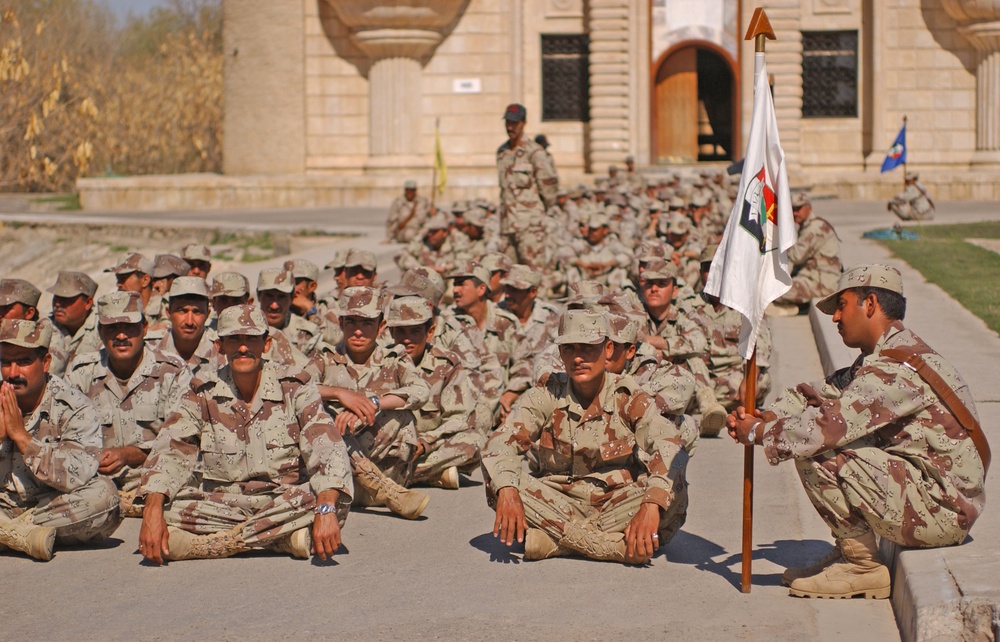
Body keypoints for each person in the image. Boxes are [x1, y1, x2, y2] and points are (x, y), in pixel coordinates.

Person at [726, 264, 987, 599]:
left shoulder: (893, 371)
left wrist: (760, 433)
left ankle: (862, 566)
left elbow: (824, 430)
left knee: (819, 447)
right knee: (813, 431)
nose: (835, 318)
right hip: (936, 497)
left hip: (943, 511)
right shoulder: (886, 357)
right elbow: (816, 393)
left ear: (871, 303)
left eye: (842, 305)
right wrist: (768, 415)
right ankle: (850, 550)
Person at [135, 305, 353, 563]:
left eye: (251, 338)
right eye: (234, 339)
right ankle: (280, 539)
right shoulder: (201, 392)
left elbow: (325, 444)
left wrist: (325, 505)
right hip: (223, 505)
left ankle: (223, 544)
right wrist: (152, 507)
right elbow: (171, 449)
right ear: (220, 347)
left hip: (284, 500)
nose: (242, 347)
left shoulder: (294, 388)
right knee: (166, 505)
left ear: (267, 343)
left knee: (332, 501)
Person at [482, 310, 691, 564]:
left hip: (617, 505)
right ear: (560, 354)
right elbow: (501, 442)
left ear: (609, 349)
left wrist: (650, 504)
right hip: (558, 502)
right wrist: (506, 489)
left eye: (588, 348)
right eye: (569, 349)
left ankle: (557, 543)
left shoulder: (627, 396)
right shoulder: (547, 393)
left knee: (674, 484)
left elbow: (669, 444)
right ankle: (605, 547)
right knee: (501, 477)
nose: (578, 357)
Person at [0, 319, 121, 560]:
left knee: (105, 498)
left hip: (48, 506)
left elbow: (77, 476)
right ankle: (21, 536)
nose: (13, 373)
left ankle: (10, 534)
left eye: (24, 362)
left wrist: (22, 439)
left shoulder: (74, 408)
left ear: (45, 363)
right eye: (6, 362)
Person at [65, 291, 190, 518]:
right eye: (112, 328)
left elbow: (179, 444)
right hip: (95, 484)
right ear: (101, 332)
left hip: (156, 480)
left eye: (129, 327)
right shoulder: (81, 373)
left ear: (144, 328)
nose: (121, 335)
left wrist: (127, 454)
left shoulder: (172, 371)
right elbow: (64, 437)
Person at [315, 286, 431, 519]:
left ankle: (376, 481)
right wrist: (338, 393)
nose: (358, 331)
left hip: (388, 471)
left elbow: (421, 390)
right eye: (352, 322)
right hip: (340, 478)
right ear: (341, 323)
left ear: (381, 326)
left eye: (367, 323)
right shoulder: (325, 358)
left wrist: (373, 404)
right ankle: (375, 484)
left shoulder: (395, 359)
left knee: (400, 412)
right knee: (317, 414)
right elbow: (295, 390)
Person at [385, 296, 489, 489]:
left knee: (475, 441)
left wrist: (426, 443)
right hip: (389, 448)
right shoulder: (382, 361)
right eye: (400, 331)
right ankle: (431, 475)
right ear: (390, 331)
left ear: (430, 332)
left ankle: (397, 476)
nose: (407, 339)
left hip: (427, 446)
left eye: (415, 331)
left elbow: (458, 417)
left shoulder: (446, 365)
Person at [496, 103, 559, 270]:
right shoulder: (502, 152)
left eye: (514, 123)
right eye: (507, 122)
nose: (510, 127)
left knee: (533, 274)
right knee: (509, 276)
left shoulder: (535, 152)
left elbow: (549, 188)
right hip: (508, 226)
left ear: (523, 123)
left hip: (530, 226)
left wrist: (537, 213)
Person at [770, 192, 843, 316]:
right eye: (792, 209)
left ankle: (797, 309)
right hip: (811, 276)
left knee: (777, 290)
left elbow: (796, 256)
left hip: (822, 283)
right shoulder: (808, 226)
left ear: (809, 208)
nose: (794, 213)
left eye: (798, 209)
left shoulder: (815, 229)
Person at [47, 271, 102, 376]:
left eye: (66, 299)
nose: (57, 304)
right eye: (56, 297)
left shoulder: (103, 328)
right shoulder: (45, 326)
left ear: (88, 303)